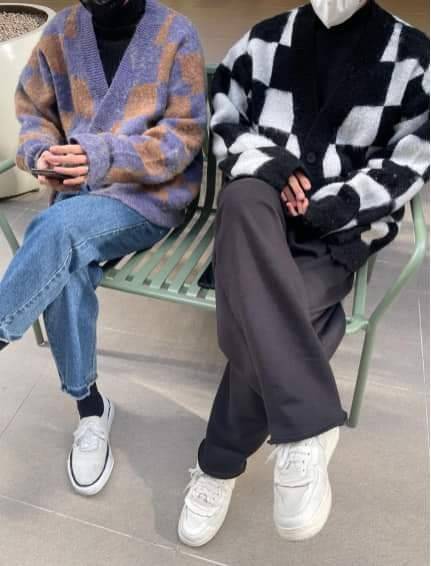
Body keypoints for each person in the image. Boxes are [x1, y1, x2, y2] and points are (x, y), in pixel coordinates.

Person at [178, 0, 429, 547]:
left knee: (271, 312)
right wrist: (270, 164)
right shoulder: (264, 39)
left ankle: (218, 462)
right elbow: (224, 115)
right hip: (259, 216)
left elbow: (412, 159)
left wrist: (338, 203)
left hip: (340, 232)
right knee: (243, 199)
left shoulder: (414, 57)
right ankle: (307, 425)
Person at [0, 0, 206, 496]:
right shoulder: (62, 31)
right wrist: (42, 154)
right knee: (66, 259)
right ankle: (91, 410)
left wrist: (101, 154)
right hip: (76, 199)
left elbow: (183, 137)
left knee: (58, 229)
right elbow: (34, 113)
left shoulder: (176, 34)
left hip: (148, 199)